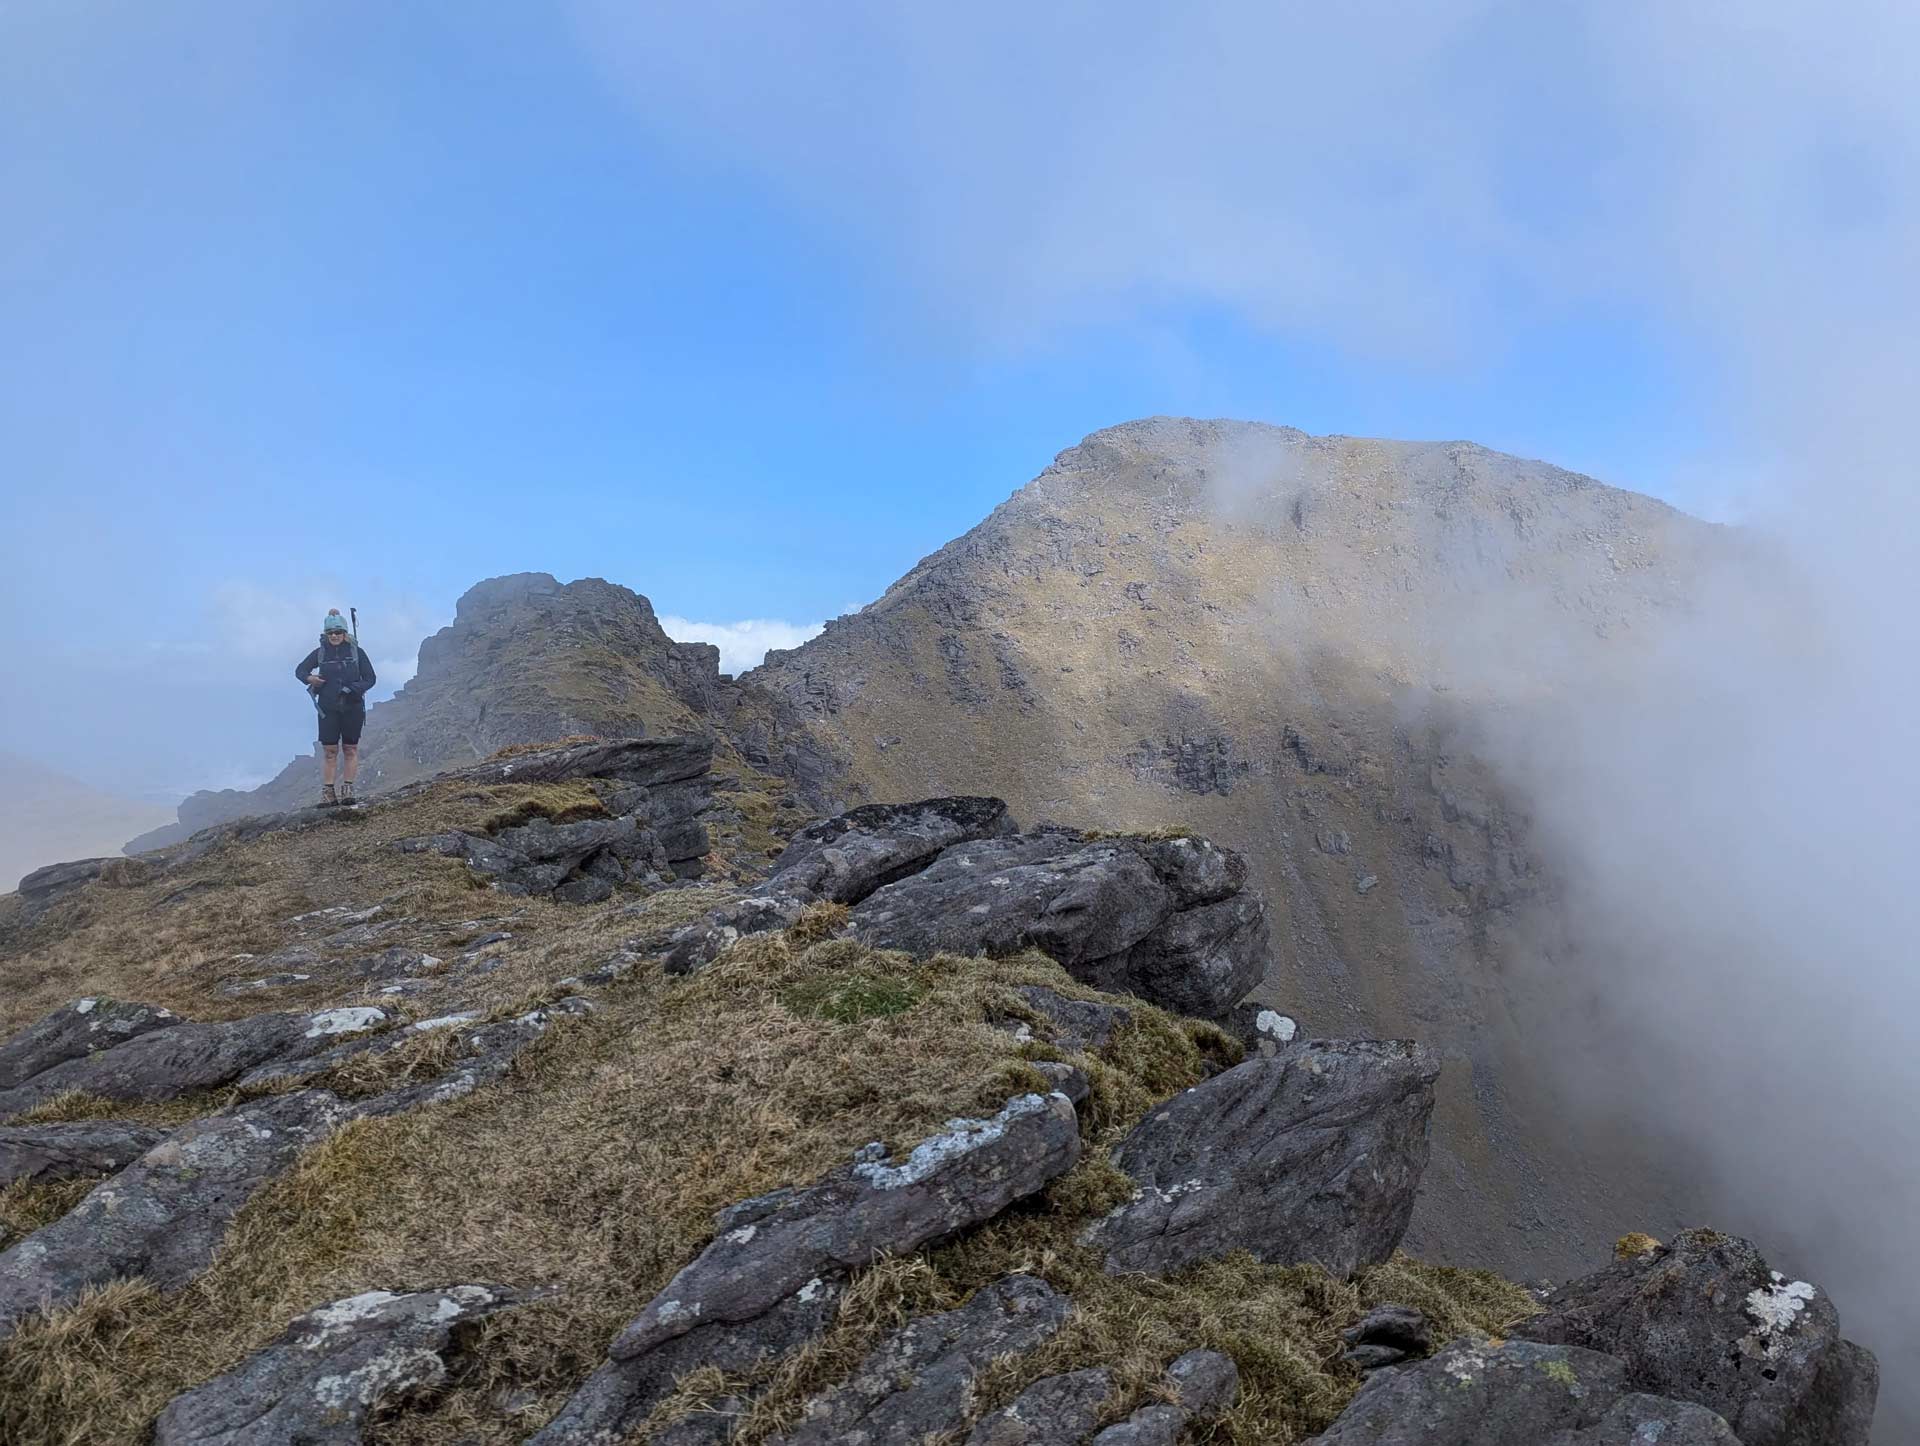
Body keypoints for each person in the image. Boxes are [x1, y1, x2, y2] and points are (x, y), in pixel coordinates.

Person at [295, 610, 377, 806]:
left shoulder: (357, 652)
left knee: (350, 749)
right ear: (325, 634)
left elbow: (370, 679)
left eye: (338, 632)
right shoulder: (320, 653)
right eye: (330, 632)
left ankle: (348, 790)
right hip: (328, 709)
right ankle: (328, 793)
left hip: (352, 707)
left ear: (345, 633)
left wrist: (353, 689)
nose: (334, 636)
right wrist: (310, 678)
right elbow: (300, 670)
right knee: (330, 751)